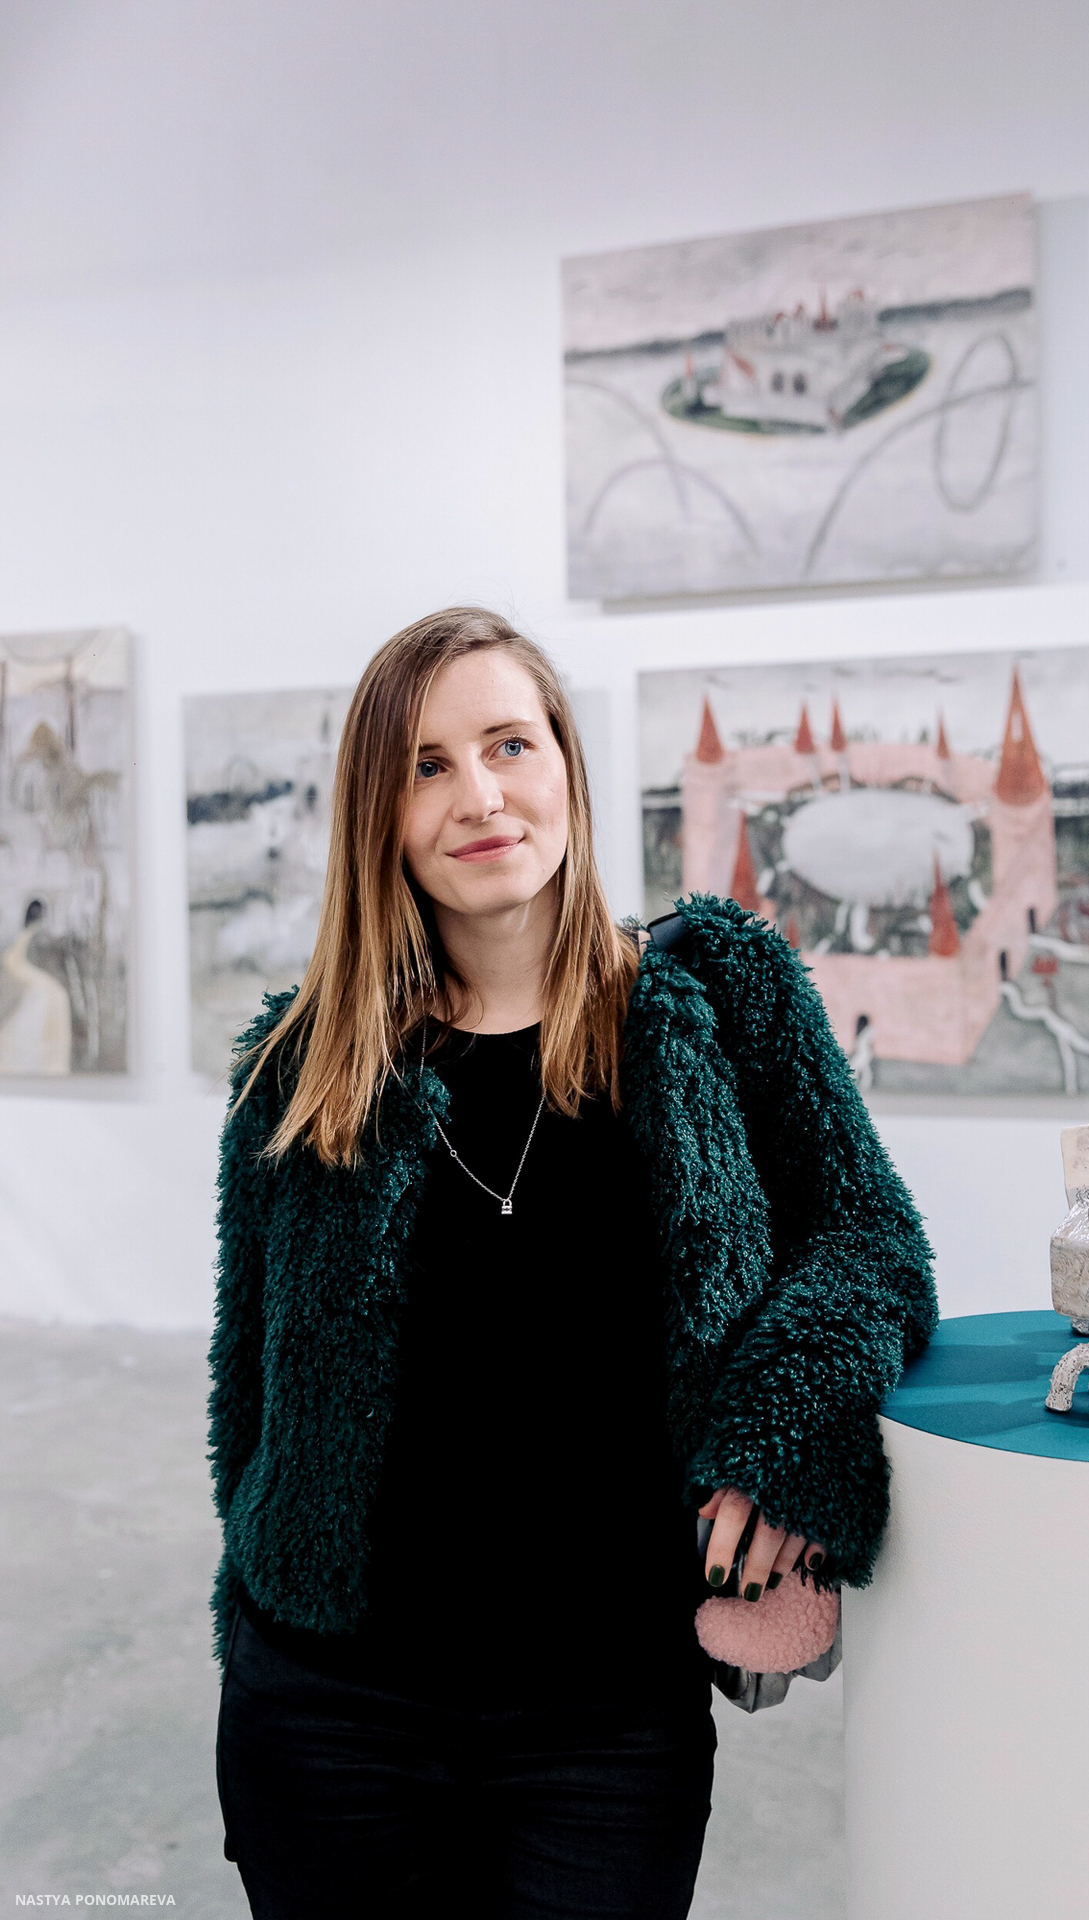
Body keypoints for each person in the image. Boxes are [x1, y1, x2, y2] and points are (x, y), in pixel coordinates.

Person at [209, 606, 937, 1918]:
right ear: (377, 813)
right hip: (326, 1711)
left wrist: (784, 1433)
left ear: (566, 763)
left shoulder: (715, 998)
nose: (480, 796)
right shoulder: (301, 1067)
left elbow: (869, 1243)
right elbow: (246, 1395)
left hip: (603, 1711)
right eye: (426, 765)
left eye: (508, 744)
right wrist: (255, 1611)